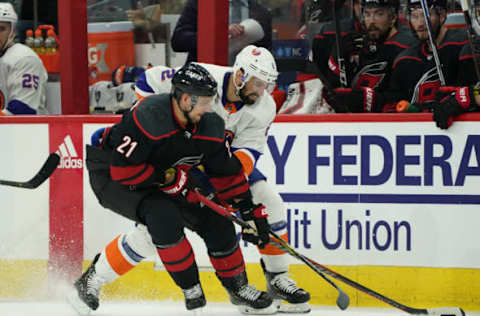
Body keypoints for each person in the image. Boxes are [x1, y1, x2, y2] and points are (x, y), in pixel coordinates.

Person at [67, 63, 275, 315]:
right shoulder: (150, 116)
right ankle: (186, 288)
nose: (210, 109)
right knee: (162, 216)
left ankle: (238, 287)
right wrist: (166, 179)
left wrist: (247, 208)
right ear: (186, 99)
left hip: (162, 173)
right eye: (205, 103)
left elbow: (225, 172)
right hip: (111, 173)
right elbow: (123, 171)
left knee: (217, 218)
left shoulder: (208, 124)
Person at [321, 0, 417, 112]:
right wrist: (339, 54)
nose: (371, 21)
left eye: (379, 14)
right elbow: (333, 88)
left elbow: (404, 99)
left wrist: (369, 99)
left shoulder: (405, 47)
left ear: (393, 18)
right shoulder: (359, 44)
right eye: (367, 14)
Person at [171, 0, 272, 64]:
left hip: (244, 82)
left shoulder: (261, 12)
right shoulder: (200, 3)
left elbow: (266, 53)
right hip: (204, 77)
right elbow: (178, 41)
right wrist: (218, 34)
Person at [0, 2, 48, 115]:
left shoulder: (25, 59)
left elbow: (23, 109)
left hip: (26, 131)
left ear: (12, 32)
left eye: (1, 29)